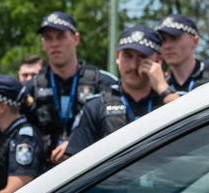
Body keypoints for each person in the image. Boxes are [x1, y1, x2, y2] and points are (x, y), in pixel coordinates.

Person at [66, 26, 177, 158]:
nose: (133, 66)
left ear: (158, 61)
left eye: (142, 57)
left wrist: (163, 89)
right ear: (117, 57)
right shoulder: (97, 105)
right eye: (127, 56)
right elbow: (74, 161)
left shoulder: (171, 101)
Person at [26, 12, 105, 161]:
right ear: (43, 44)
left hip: (91, 169)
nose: (55, 43)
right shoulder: (30, 88)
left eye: (61, 37)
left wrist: (75, 144)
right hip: (45, 173)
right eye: (48, 38)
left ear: (76, 39)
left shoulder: (103, 82)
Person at [155, 14, 209, 93]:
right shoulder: (159, 88)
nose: (167, 46)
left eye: (174, 38)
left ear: (195, 41)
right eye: (163, 40)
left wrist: (165, 91)